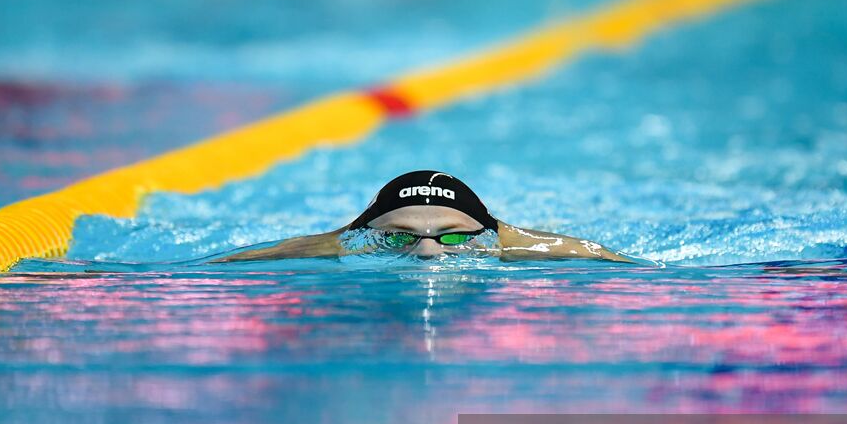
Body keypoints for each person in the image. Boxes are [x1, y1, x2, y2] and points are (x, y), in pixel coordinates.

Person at [213, 170, 635, 263]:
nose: (427, 253)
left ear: (493, 235)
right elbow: (225, 265)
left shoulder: (515, 243)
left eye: (453, 237)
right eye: (399, 237)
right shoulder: (334, 244)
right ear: (362, 235)